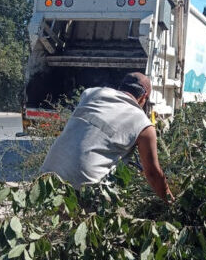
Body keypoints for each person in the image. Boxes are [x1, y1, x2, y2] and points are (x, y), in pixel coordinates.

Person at [40, 72, 173, 201]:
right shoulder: (143, 125)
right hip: (85, 190)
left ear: (120, 87)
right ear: (144, 97)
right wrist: (171, 204)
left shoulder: (90, 93)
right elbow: (152, 174)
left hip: (46, 178)